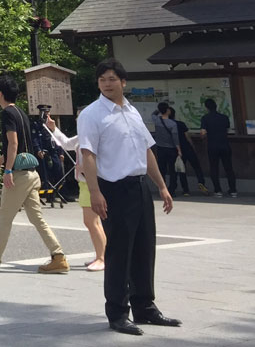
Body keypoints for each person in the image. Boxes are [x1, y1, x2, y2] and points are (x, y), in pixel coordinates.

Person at [78, 58, 179, 335]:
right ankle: (118, 313)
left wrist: (161, 186)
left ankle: (145, 307)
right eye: (102, 80)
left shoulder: (132, 112)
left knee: (145, 248)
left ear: (123, 82)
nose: (107, 84)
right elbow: (88, 154)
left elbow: (147, 151)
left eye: (112, 79)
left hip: (139, 186)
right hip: (113, 189)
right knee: (119, 252)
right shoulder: (92, 114)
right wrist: (95, 191)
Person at [0, 73, 68, 274]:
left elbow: (13, 143)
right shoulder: (21, 113)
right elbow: (18, 145)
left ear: (1, 93)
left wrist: (7, 170)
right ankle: (58, 256)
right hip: (32, 174)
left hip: (20, 175)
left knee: (4, 218)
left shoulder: (7, 113)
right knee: (37, 218)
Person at [45, 115, 107, 271]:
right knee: (94, 222)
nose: (79, 121)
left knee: (91, 222)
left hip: (91, 184)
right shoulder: (82, 137)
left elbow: (99, 161)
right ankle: (102, 255)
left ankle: (102, 258)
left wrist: (84, 168)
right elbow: (66, 144)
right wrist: (53, 128)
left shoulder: (95, 138)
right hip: (85, 183)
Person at [199, 97, 237, 197]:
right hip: (225, 145)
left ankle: (218, 190)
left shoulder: (205, 118)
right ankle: (233, 190)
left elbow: (203, 133)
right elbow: (227, 130)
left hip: (212, 146)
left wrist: (203, 136)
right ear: (216, 106)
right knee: (229, 168)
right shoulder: (224, 117)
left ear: (206, 108)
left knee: (214, 168)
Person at [167, 107, 207, 196]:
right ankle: (201, 182)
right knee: (196, 166)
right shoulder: (181, 124)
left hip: (176, 150)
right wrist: (192, 145)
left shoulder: (167, 126)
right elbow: (187, 136)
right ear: (174, 114)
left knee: (182, 169)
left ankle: (186, 190)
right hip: (187, 148)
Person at [150, 102, 180, 193]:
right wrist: (179, 149)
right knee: (172, 170)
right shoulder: (172, 124)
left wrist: (159, 109)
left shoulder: (156, 120)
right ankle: (172, 189)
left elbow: (153, 114)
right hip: (171, 149)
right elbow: (175, 138)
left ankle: (162, 188)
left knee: (162, 169)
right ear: (168, 110)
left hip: (160, 148)